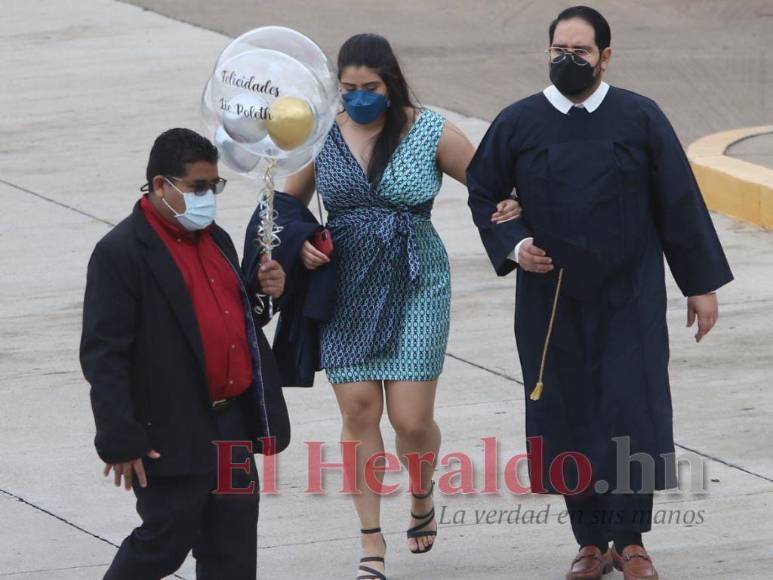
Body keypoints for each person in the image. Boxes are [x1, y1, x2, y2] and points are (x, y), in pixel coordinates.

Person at [466, 6, 733, 580]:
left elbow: (678, 203)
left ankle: (631, 540)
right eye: (558, 50)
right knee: (565, 412)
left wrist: (700, 285)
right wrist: (515, 245)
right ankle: (589, 540)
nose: (567, 60)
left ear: (605, 57)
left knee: (630, 411)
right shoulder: (519, 123)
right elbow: (485, 191)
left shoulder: (639, 118)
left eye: (580, 51)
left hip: (628, 295)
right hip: (551, 299)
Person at [267, 33, 521, 580]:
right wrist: (301, 242)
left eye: (370, 87)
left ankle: (422, 493)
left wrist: (514, 205)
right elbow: (286, 205)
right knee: (358, 410)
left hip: (416, 280)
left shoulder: (427, 129)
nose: (358, 97)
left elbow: (490, 181)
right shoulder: (321, 135)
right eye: (349, 88)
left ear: (390, 83)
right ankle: (370, 541)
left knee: (411, 420)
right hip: (345, 285)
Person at [80, 128, 290, 580]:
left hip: (231, 423)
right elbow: (104, 355)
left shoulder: (217, 241)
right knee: (163, 542)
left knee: (233, 549)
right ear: (161, 185)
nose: (208, 197)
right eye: (198, 187)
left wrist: (263, 294)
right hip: (171, 430)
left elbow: (234, 323)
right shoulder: (120, 253)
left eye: (214, 186)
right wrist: (121, 437)